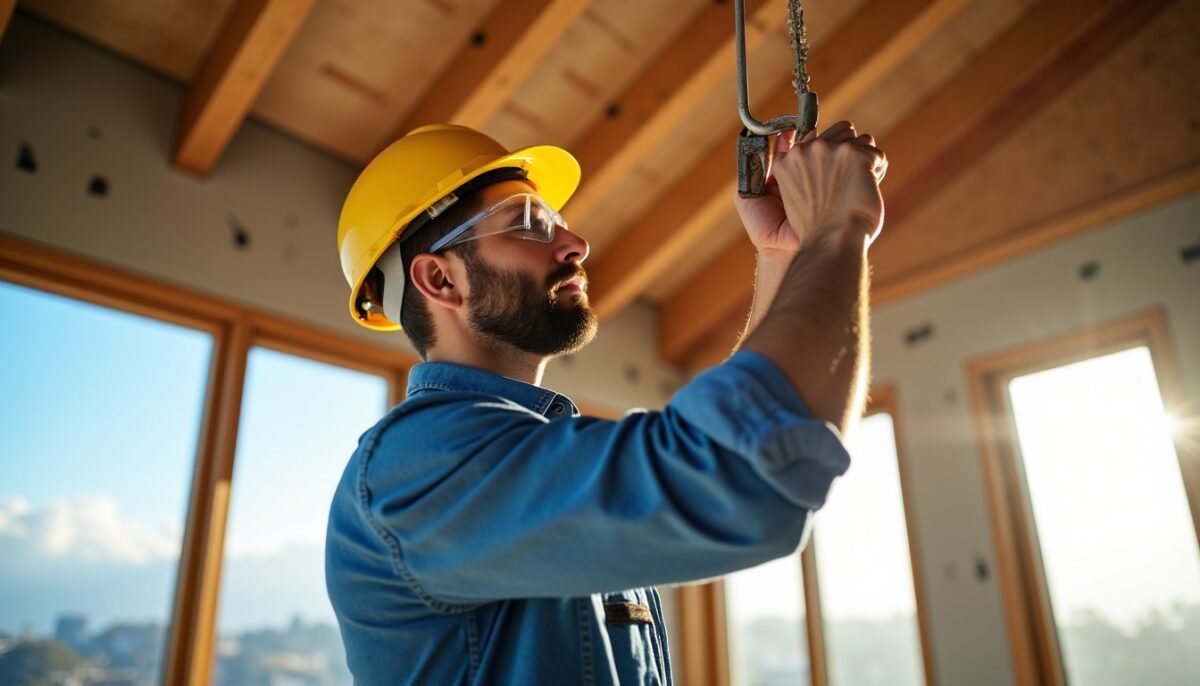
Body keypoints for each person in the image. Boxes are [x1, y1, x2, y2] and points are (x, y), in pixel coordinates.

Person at [328, 121, 887, 685]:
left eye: (560, 223)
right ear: (440, 280)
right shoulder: (417, 463)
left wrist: (781, 256)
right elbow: (742, 469)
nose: (576, 244)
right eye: (529, 223)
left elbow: (737, 440)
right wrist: (840, 225)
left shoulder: (521, 455)